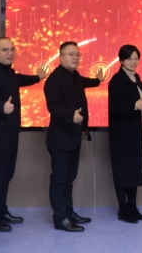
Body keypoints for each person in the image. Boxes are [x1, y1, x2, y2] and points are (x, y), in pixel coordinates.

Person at [0, 36, 47, 232]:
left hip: (10, 132)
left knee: (6, 174)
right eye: (5, 50)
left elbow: (20, 80)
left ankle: (1, 211)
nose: (10, 53)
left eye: (12, 49)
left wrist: (38, 77)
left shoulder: (9, 72)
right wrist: (1, 107)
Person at [43, 41, 104, 232]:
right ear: (60, 57)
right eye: (71, 54)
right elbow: (53, 106)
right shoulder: (55, 79)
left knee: (69, 178)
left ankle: (69, 213)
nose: (75, 57)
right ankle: (60, 219)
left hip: (73, 137)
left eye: (77, 54)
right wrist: (71, 115)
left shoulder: (74, 75)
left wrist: (98, 81)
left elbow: (85, 82)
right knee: (59, 179)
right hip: (60, 138)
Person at [107, 45, 142, 224]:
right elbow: (114, 106)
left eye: (136, 58)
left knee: (133, 171)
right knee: (123, 172)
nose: (133, 62)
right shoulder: (116, 81)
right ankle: (122, 209)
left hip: (135, 132)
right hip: (122, 135)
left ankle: (132, 207)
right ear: (121, 61)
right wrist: (133, 105)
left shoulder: (135, 78)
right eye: (129, 58)